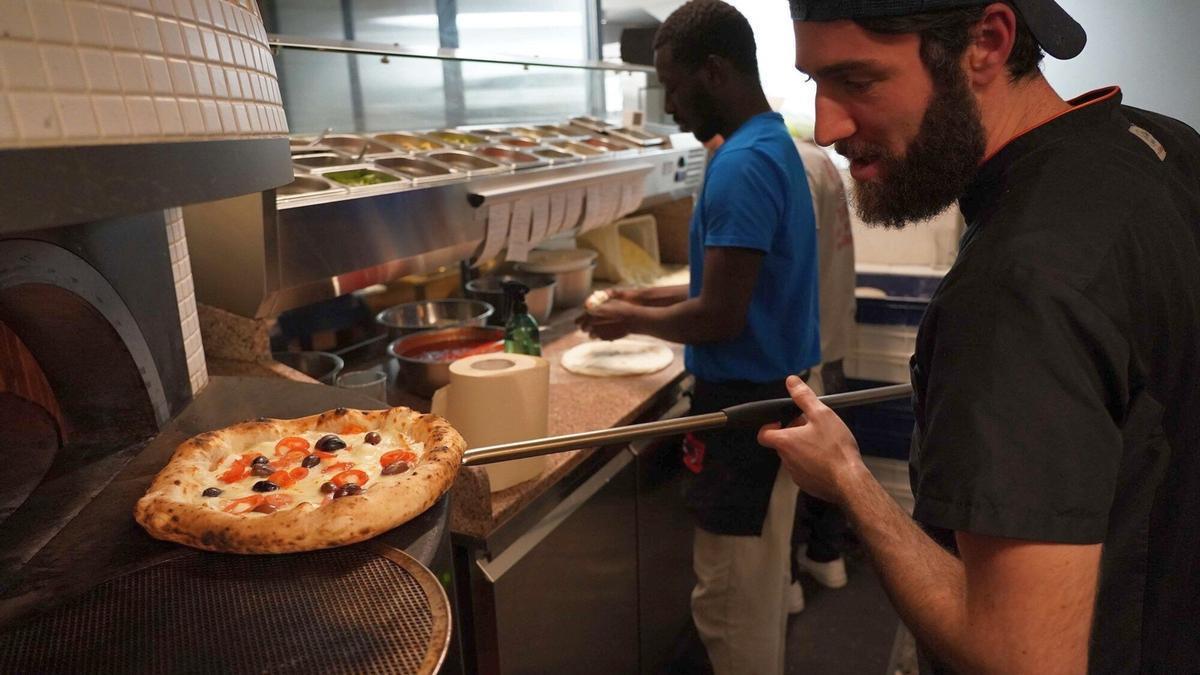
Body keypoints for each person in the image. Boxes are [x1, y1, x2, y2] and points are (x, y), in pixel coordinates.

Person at [759, 1, 1200, 672]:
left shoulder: (1012, 291)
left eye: (858, 79)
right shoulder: (1164, 144)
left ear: (987, 41)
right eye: (815, 82)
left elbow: (1021, 658)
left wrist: (849, 479)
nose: (826, 125)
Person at [580, 1, 821, 672]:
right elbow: (733, 282)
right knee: (753, 587)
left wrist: (627, 318)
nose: (669, 101)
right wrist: (642, 294)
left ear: (713, 72)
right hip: (776, 392)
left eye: (672, 82)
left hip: (746, 410)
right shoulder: (767, 144)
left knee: (731, 601)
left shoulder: (741, 165)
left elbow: (720, 315)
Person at [788, 136, 857, 613]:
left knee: (795, 465)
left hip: (806, 343)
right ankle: (827, 555)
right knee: (830, 452)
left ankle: (788, 581)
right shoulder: (821, 161)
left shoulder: (792, 167)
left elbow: (793, 265)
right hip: (830, 332)